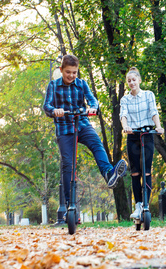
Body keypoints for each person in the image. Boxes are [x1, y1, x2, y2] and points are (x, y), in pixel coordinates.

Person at [43, 55, 127, 210]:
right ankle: (70, 204)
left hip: (82, 124)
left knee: (97, 144)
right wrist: (55, 111)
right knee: (68, 165)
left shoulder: (82, 84)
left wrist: (93, 107)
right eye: (68, 72)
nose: (71, 76)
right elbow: (46, 106)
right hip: (64, 128)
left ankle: (109, 174)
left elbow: (92, 100)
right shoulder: (53, 86)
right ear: (61, 70)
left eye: (74, 72)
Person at [120, 67, 164, 219]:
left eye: (134, 80)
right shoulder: (125, 99)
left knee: (146, 171)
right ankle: (138, 205)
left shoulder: (148, 95)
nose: (132, 83)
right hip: (133, 135)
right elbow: (123, 115)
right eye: (129, 81)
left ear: (139, 80)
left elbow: (153, 111)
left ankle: (145, 204)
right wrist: (125, 127)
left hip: (147, 134)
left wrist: (158, 126)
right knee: (135, 172)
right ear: (128, 83)